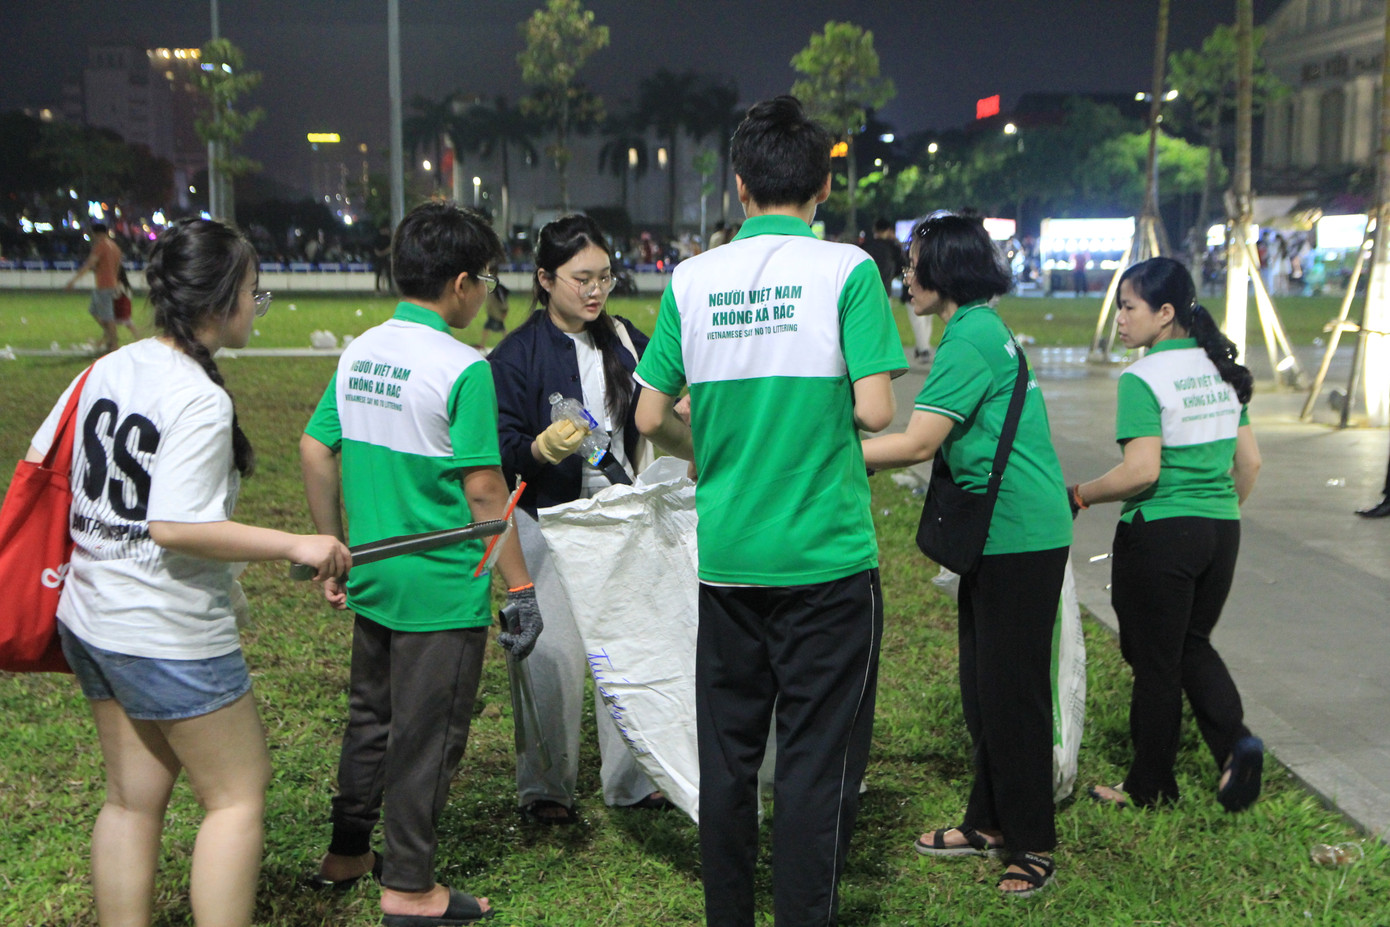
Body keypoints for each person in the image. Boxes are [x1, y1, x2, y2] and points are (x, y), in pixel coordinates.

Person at [26, 217, 352, 927]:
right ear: (222, 298)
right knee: (237, 795)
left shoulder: (112, 366)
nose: (256, 307)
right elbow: (175, 525)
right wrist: (297, 543)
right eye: (254, 293)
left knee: (130, 798)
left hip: (90, 616)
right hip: (163, 629)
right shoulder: (200, 398)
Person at [634, 95, 903, 926]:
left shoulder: (694, 279)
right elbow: (879, 410)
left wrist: (708, 448)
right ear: (823, 184)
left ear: (740, 187)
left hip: (730, 562)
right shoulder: (847, 272)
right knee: (814, 768)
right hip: (826, 563)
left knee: (728, 763)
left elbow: (648, 417)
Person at [301, 202, 540, 925]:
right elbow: (484, 491)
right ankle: (408, 884)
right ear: (462, 283)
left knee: (371, 718)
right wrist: (521, 584)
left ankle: (347, 852)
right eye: (488, 280)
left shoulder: (360, 351)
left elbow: (315, 448)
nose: (488, 294)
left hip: (373, 574)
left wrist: (331, 548)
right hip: (439, 587)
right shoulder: (464, 367)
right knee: (429, 736)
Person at [861, 213, 1072, 898]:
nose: (906, 275)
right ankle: (986, 820)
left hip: (1018, 533)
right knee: (986, 686)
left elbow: (918, 442)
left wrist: (827, 456)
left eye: (915, 262)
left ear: (945, 269)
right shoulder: (977, 327)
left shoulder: (969, 339)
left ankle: (1032, 839)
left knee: (1012, 694)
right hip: (1008, 532)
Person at [487, 214, 666, 824]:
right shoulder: (514, 356)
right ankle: (545, 789)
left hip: (619, 516)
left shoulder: (625, 339)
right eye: (580, 279)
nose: (595, 291)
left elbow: (659, 407)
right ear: (545, 279)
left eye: (604, 278)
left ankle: (632, 781)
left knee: (628, 649)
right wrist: (541, 450)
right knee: (548, 654)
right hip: (548, 521)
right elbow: (500, 452)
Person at [1070, 256, 1265, 813]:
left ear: (1165, 313)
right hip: (1221, 531)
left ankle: (1150, 786)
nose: (1120, 320)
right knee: (1188, 645)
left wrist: (1081, 493)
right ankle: (1236, 747)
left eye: (1128, 308)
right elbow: (1249, 465)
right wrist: (1214, 511)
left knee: (1155, 661)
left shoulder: (1143, 377)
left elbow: (1142, 472)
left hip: (1159, 534)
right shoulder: (1221, 370)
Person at [861, 217, 933, 366]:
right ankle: (886, 353)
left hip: (866, 289)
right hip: (884, 289)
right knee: (884, 322)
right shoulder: (892, 246)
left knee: (867, 322)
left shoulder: (866, 245)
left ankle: (869, 353)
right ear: (888, 230)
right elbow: (903, 264)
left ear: (875, 230)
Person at [64, 222, 124, 354]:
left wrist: (73, 281)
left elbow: (89, 264)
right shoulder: (114, 247)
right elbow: (117, 267)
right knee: (94, 311)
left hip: (105, 285)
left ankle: (113, 344)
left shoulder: (101, 246)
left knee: (108, 316)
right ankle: (109, 336)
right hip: (111, 284)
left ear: (96, 234)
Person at [475, 279, 510, 353]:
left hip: (496, 313)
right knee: (494, 327)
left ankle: (482, 344)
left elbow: (502, 300)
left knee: (498, 328)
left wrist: (504, 310)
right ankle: (482, 343)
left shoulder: (497, 290)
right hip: (494, 313)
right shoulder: (494, 289)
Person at [113, 264, 140, 342]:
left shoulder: (119, 284)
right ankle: (139, 339)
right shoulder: (126, 285)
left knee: (110, 326)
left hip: (120, 311)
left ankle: (106, 342)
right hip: (126, 311)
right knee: (131, 327)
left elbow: (116, 296)